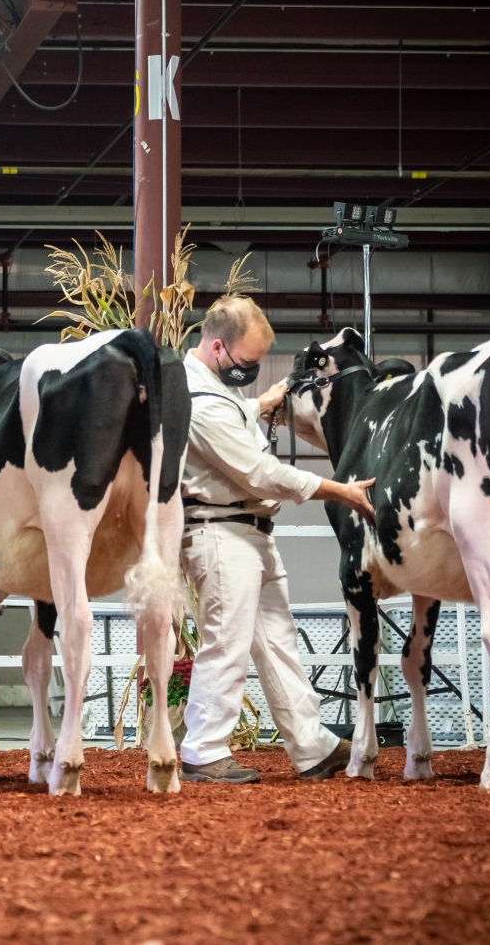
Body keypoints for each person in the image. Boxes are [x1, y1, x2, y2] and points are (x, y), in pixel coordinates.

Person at [177, 296, 377, 784]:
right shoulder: (198, 400)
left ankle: (311, 747)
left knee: (278, 643)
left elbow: (232, 419)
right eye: (247, 362)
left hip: (249, 533)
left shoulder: (214, 391)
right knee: (226, 643)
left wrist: (258, 405)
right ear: (218, 347)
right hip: (220, 531)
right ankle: (204, 750)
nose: (250, 371)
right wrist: (337, 489)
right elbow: (258, 472)